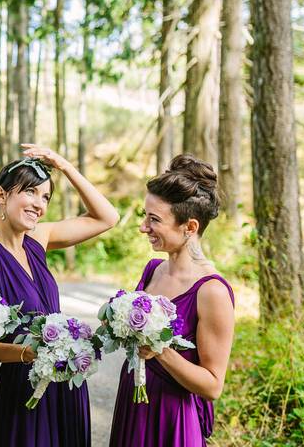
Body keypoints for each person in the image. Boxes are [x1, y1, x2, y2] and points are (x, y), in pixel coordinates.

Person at [0, 143, 119, 446]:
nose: (39, 204)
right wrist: (28, 353)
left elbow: (107, 217)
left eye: (45, 196)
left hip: (66, 383)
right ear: (2, 195)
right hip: (24, 389)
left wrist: (64, 166)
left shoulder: (39, 238)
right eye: (30, 192)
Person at [109, 155, 235, 447]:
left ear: (190, 227)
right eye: (145, 216)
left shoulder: (211, 291)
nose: (143, 227)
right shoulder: (152, 270)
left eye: (154, 219)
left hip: (171, 417)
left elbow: (213, 385)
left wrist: (160, 350)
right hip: (133, 404)